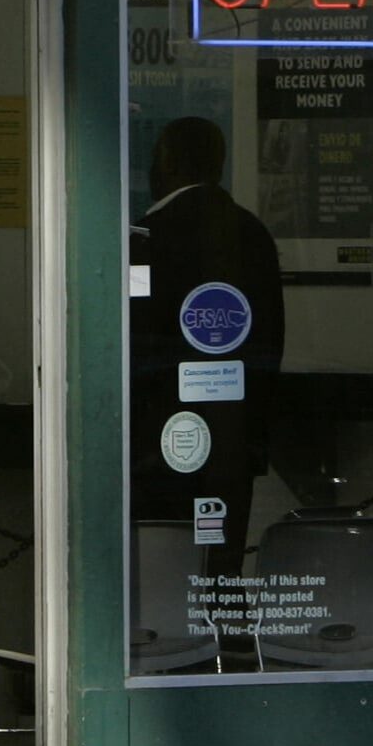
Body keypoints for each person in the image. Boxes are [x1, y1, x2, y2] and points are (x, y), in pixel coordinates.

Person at [129, 117, 285, 578]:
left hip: (158, 440)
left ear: (167, 163)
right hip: (235, 435)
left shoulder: (145, 238)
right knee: (220, 571)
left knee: (162, 576)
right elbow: (271, 338)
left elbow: (133, 339)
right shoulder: (253, 233)